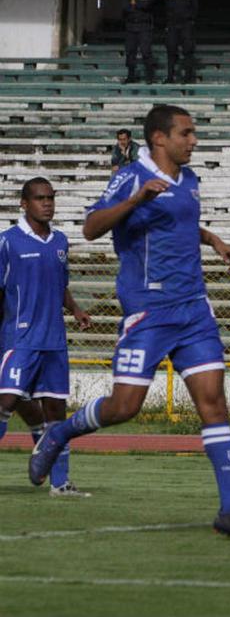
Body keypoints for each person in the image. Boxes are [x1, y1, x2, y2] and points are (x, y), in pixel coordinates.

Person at [29, 105, 230, 541]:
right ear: (160, 138)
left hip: (194, 309)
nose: (193, 141)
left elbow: (179, 221)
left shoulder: (189, 179)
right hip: (149, 312)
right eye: (186, 134)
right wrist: (137, 199)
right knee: (125, 408)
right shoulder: (131, 176)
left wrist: (213, 238)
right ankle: (61, 432)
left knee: (214, 403)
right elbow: (90, 228)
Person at [0, 177, 92, 497]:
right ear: (24, 204)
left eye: (51, 197)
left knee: (55, 413)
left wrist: (76, 310)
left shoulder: (60, 242)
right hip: (19, 340)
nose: (47, 203)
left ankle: (60, 483)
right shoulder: (8, 242)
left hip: (54, 341)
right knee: (5, 402)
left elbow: (60, 284)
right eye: (40, 198)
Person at [164, 0, 198, 84]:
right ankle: (170, 78)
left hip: (186, 25)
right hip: (172, 25)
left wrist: (191, 20)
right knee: (171, 50)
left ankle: (188, 78)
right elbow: (165, 8)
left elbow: (195, 6)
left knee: (187, 50)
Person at [123, 0, 155, 84]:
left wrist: (134, 4)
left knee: (146, 51)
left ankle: (149, 76)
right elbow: (125, 7)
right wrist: (138, 4)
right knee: (130, 52)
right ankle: (130, 76)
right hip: (131, 27)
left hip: (144, 26)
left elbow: (146, 5)